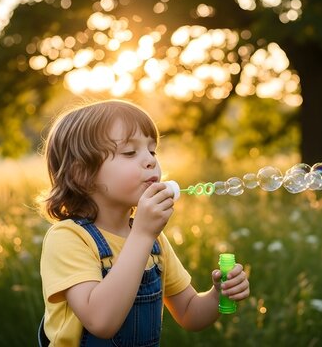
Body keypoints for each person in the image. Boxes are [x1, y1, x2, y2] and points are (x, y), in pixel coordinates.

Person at [38, 100, 250, 346]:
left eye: (152, 151)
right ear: (82, 173)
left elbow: (190, 313)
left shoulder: (153, 240)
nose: (150, 161)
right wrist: (142, 234)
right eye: (130, 152)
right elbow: (101, 322)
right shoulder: (68, 238)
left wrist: (218, 295)